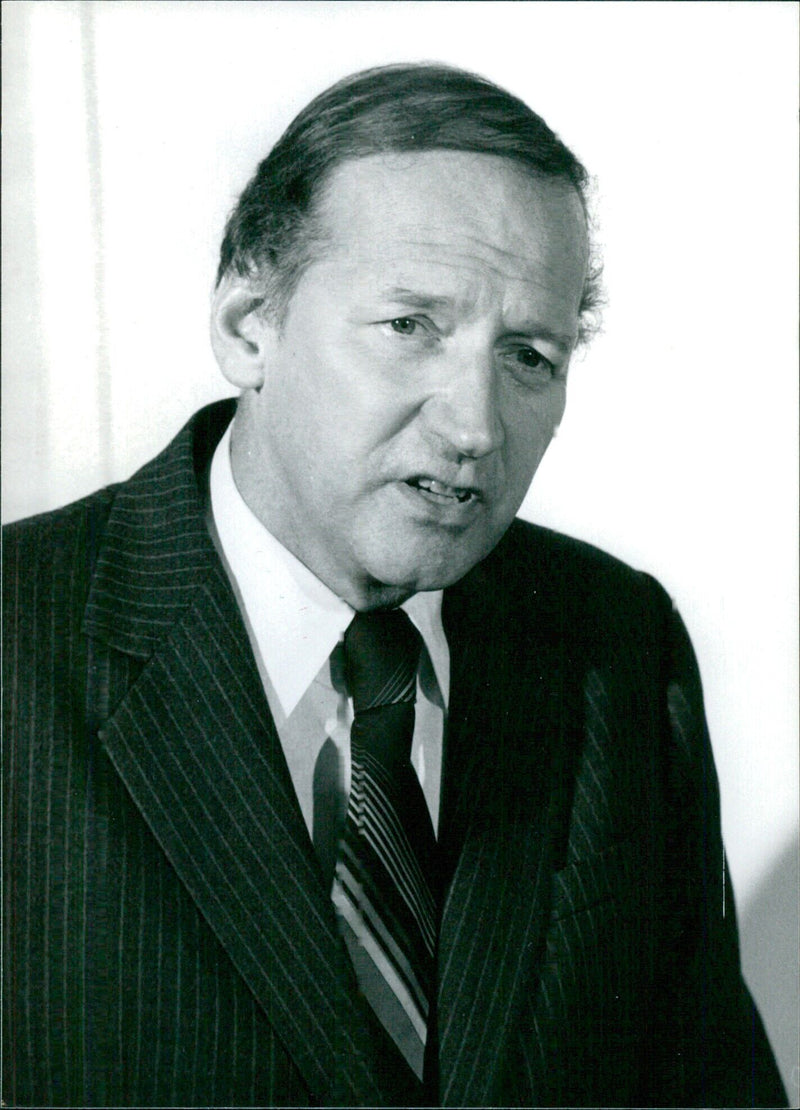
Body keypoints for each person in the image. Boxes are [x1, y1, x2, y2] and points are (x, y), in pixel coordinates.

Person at [1, 63, 786, 1108]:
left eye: (528, 356)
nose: (473, 426)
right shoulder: (18, 636)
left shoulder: (615, 646)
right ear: (248, 325)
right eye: (408, 326)